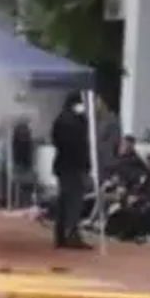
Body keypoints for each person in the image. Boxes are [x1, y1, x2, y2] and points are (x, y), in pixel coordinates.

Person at [48, 91, 92, 250]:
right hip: (74, 166)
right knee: (74, 202)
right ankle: (72, 235)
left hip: (62, 165)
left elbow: (54, 139)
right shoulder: (77, 121)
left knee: (63, 201)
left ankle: (60, 236)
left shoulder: (60, 118)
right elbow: (81, 144)